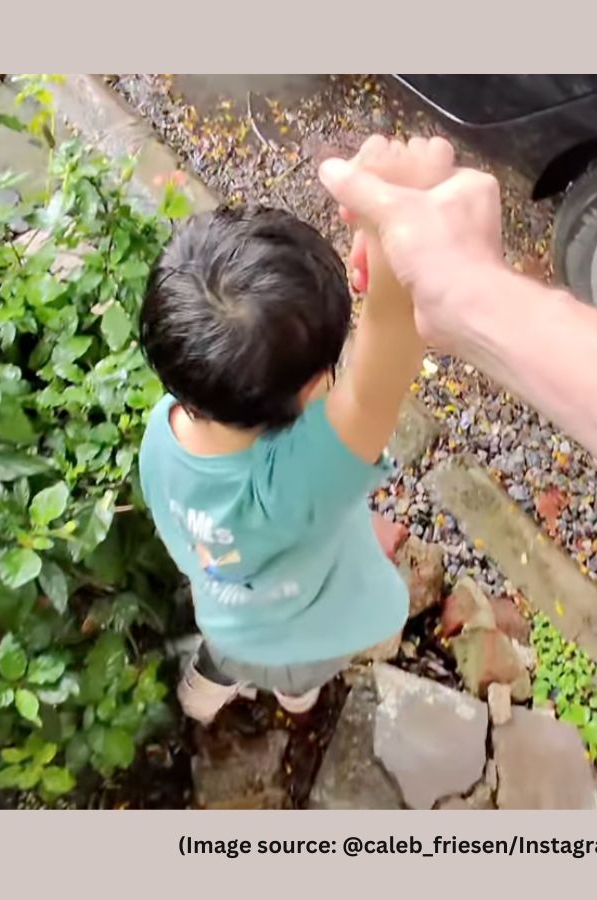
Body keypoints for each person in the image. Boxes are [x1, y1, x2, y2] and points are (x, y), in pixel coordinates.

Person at [136, 137, 456, 724]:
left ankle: (204, 694)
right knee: (299, 678)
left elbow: (375, 353)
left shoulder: (166, 430)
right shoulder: (298, 484)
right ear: (314, 389)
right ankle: (295, 699)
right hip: (303, 637)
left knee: (226, 656)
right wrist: (396, 218)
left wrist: (380, 230)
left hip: (226, 617)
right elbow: (386, 345)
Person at [318, 139, 597, 559]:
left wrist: (434, 269)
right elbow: (367, 398)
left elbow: (364, 406)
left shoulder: (282, 495)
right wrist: (392, 240)